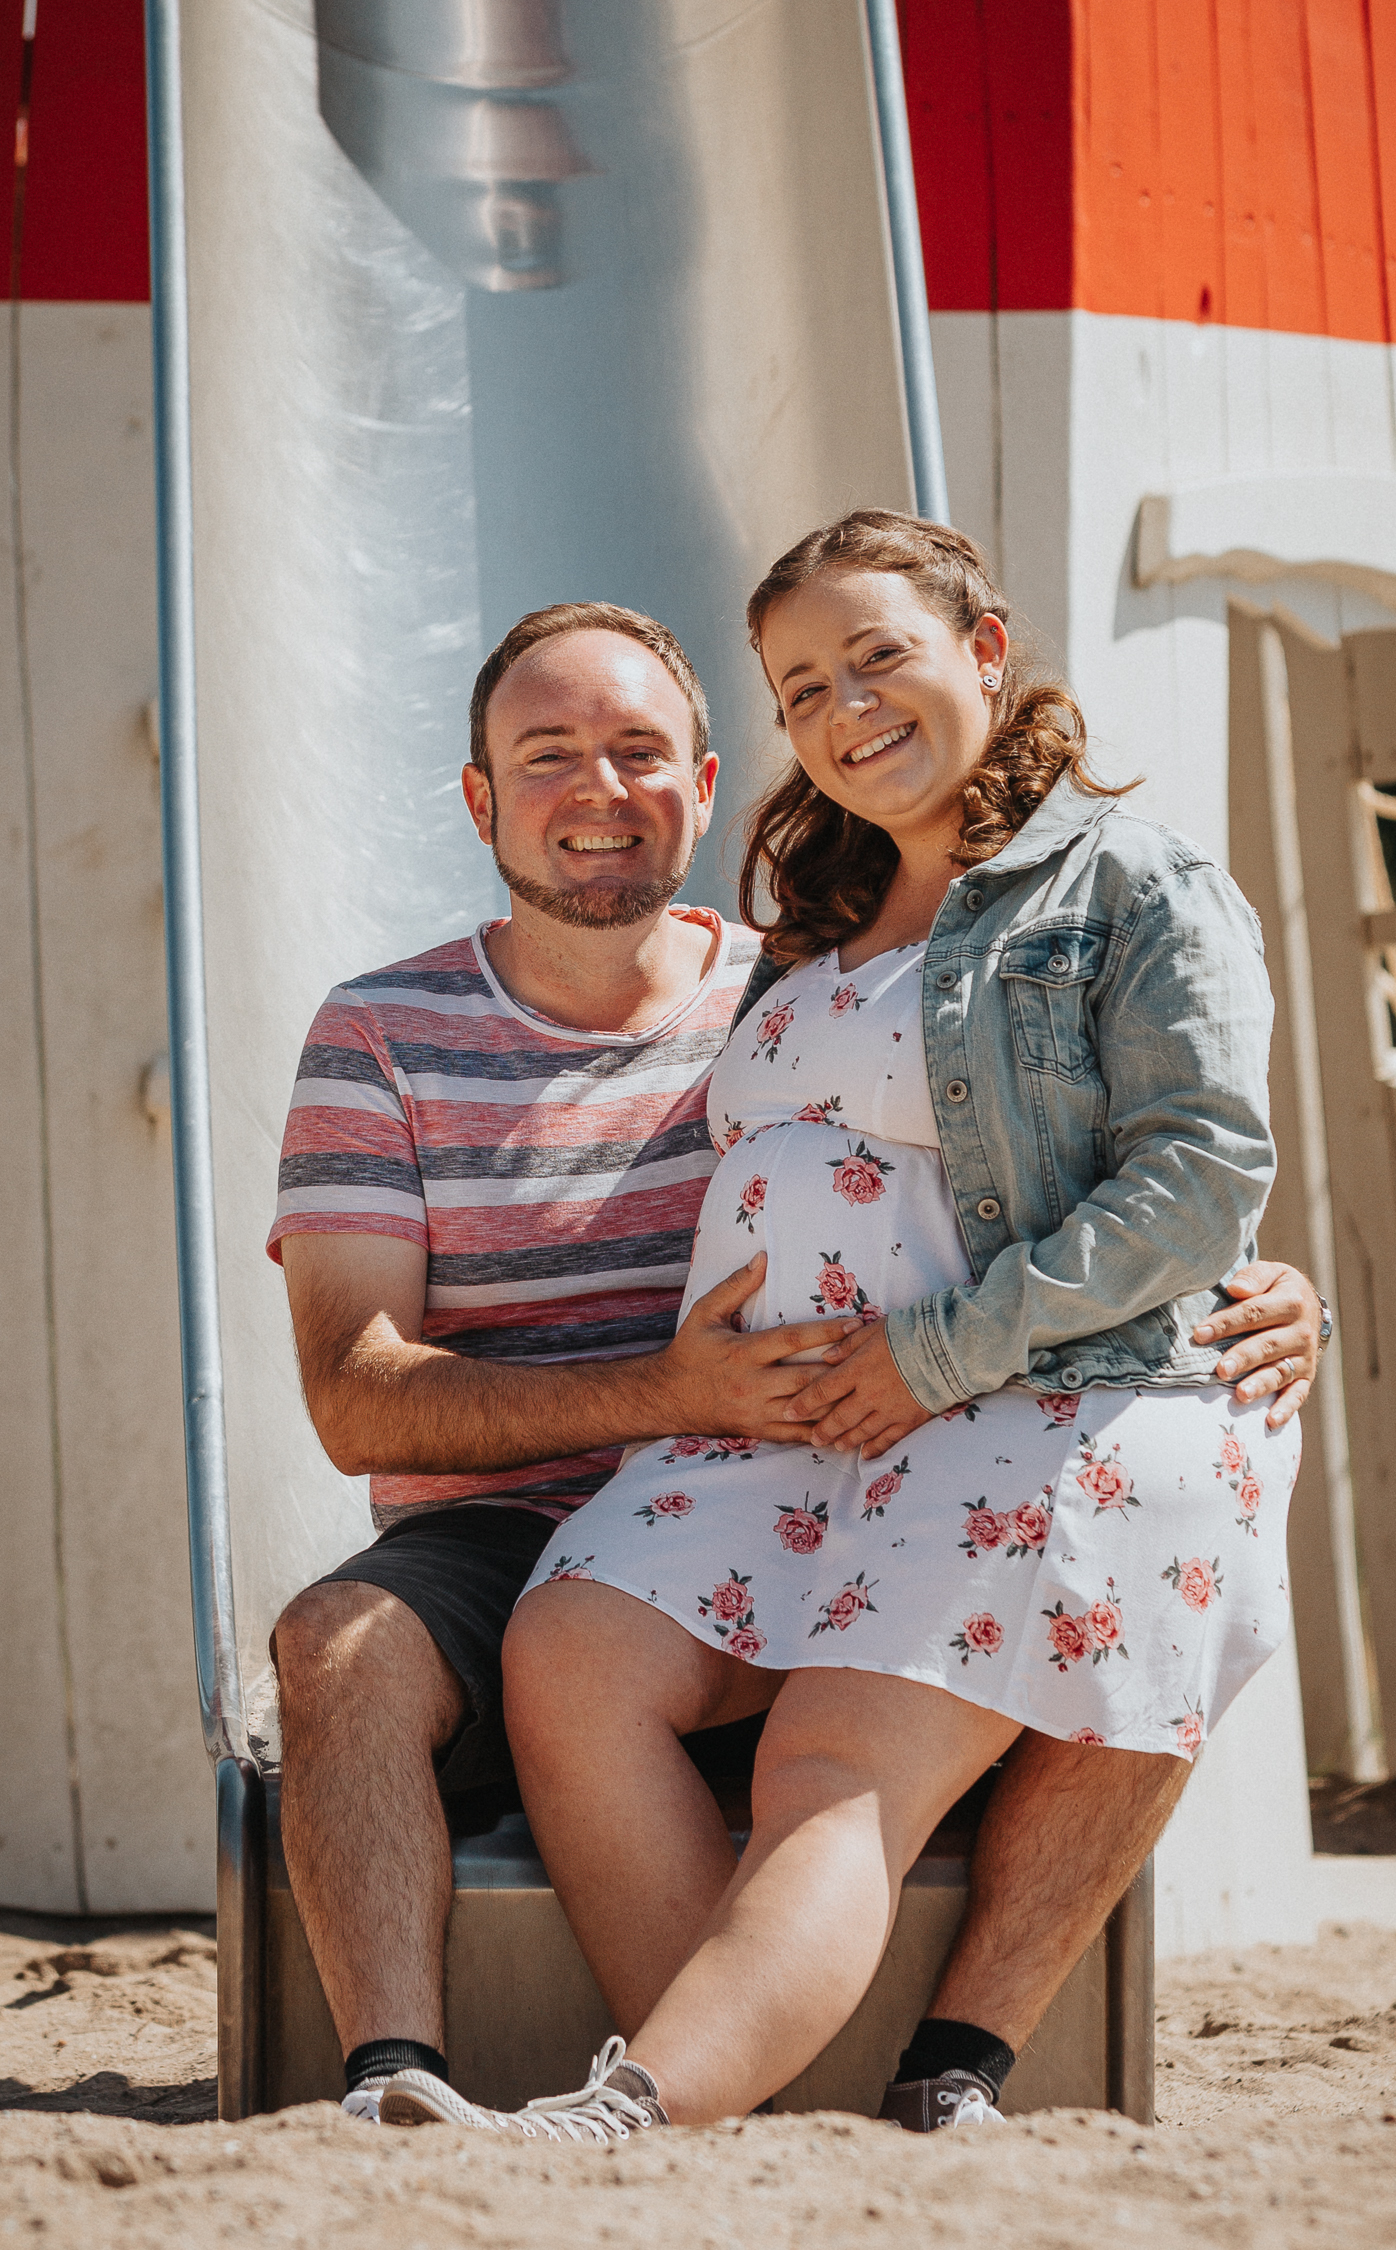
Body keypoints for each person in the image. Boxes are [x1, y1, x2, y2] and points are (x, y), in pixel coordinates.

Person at [268, 590, 1325, 2132]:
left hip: (838, 1447)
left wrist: (1262, 1287)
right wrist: (671, 1393)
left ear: (705, 787)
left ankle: (906, 2055)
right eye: (548, 754)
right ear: (481, 801)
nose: (598, 788)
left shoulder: (822, 970)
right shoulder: (385, 1032)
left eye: (640, 750)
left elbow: (1099, 1145)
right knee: (341, 1641)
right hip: (536, 1511)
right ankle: (398, 2077)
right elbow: (355, 1393)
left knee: (1149, 1533)